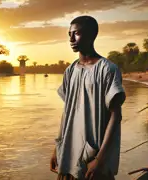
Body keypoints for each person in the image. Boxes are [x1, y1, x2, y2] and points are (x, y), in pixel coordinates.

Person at [50, 16, 126, 180]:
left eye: (76, 33)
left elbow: (116, 116)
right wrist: (57, 148)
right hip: (68, 154)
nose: (71, 39)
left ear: (91, 35)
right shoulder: (70, 71)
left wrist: (100, 158)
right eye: (69, 34)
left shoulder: (108, 70)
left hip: (93, 156)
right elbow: (67, 112)